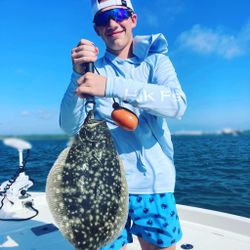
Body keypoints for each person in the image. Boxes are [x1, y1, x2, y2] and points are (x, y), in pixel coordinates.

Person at [60, 0, 187, 249]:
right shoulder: (91, 70)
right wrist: (77, 74)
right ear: (97, 29)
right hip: (101, 187)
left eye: (118, 15)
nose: (111, 23)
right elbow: (69, 126)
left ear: (133, 19)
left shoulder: (156, 62)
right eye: (102, 20)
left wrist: (109, 86)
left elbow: (177, 104)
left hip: (152, 185)